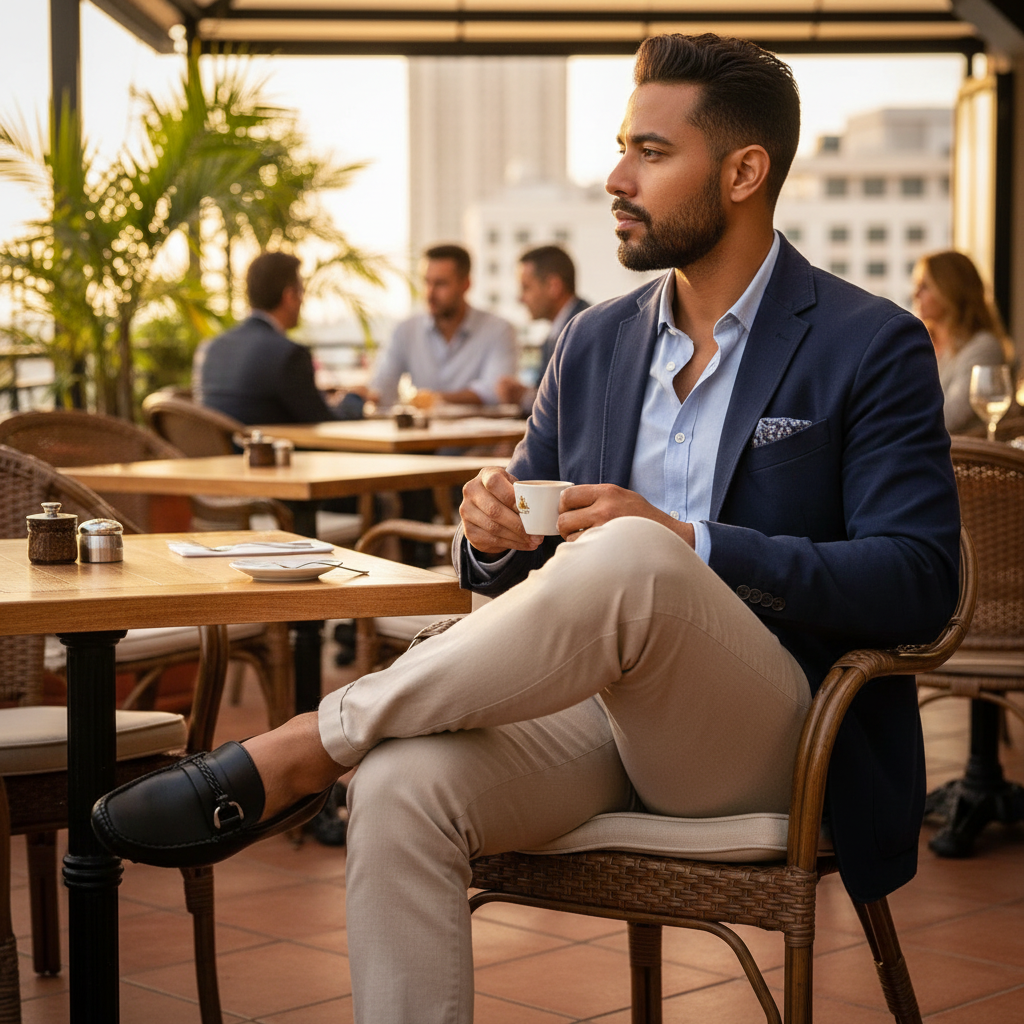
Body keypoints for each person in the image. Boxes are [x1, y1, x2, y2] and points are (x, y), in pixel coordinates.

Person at [93, 33, 961, 1024]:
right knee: (402, 787)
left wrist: (693, 544)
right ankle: (343, 757)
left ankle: (304, 745)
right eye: (618, 147)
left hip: (778, 737)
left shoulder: (867, 341)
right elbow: (520, 580)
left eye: (649, 151)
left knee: (635, 547)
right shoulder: (591, 341)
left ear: (743, 171)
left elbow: (918, 579)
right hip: (590, 716)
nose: (615, 176)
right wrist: (488, 534)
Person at [196, 251, 365, 424]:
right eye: (301, 292)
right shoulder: (289, 354)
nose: (302, 301)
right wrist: (354, 399)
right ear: (290, 296)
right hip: (270, 450)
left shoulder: (210, 348)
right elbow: (325, 423)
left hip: (222, 451)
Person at [368, 244, 517, 409]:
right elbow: (381, 388)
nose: (430, 293)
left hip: (478, 433)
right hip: (421, 433)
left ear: (466, 284)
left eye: (440, 284)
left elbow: (495, 392)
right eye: (426, 282)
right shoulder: (405, 330)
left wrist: (432, 399)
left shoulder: (499, 330)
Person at [912, 250, 1016, 434]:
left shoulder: (984, 347)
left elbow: (948, 417)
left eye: (925, 286)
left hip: (967, 459)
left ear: (949, 290)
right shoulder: (921, 344)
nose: (915, 294)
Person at [494, 245, 589, 411]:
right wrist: (524, 394)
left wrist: (525, 397)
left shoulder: (586, 330)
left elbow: (570, 406)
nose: (520, 299)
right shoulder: (555, 335)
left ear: (553, 286)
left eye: (526, 287)